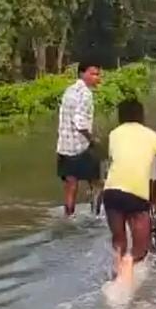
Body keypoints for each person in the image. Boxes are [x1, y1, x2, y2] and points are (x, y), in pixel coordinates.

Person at [102, 99, 156, 286]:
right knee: (141, 248)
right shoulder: (151, 136)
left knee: (119, 240)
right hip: (135, 194)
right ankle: (129, 262)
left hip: (111, 192)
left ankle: (117, 277)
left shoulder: (114, 134)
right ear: (141, 116)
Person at [57, 61, 102, 216]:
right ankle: (96, 217)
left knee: (71, 186)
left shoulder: (69, 90)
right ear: (82, 74)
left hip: (64, 147)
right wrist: (93, 139)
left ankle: (68, 218)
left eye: (98, 74)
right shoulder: (86, 94)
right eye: (93, 74)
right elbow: (80, 123)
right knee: (97, 184)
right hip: (81, 146)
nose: (97, 78)